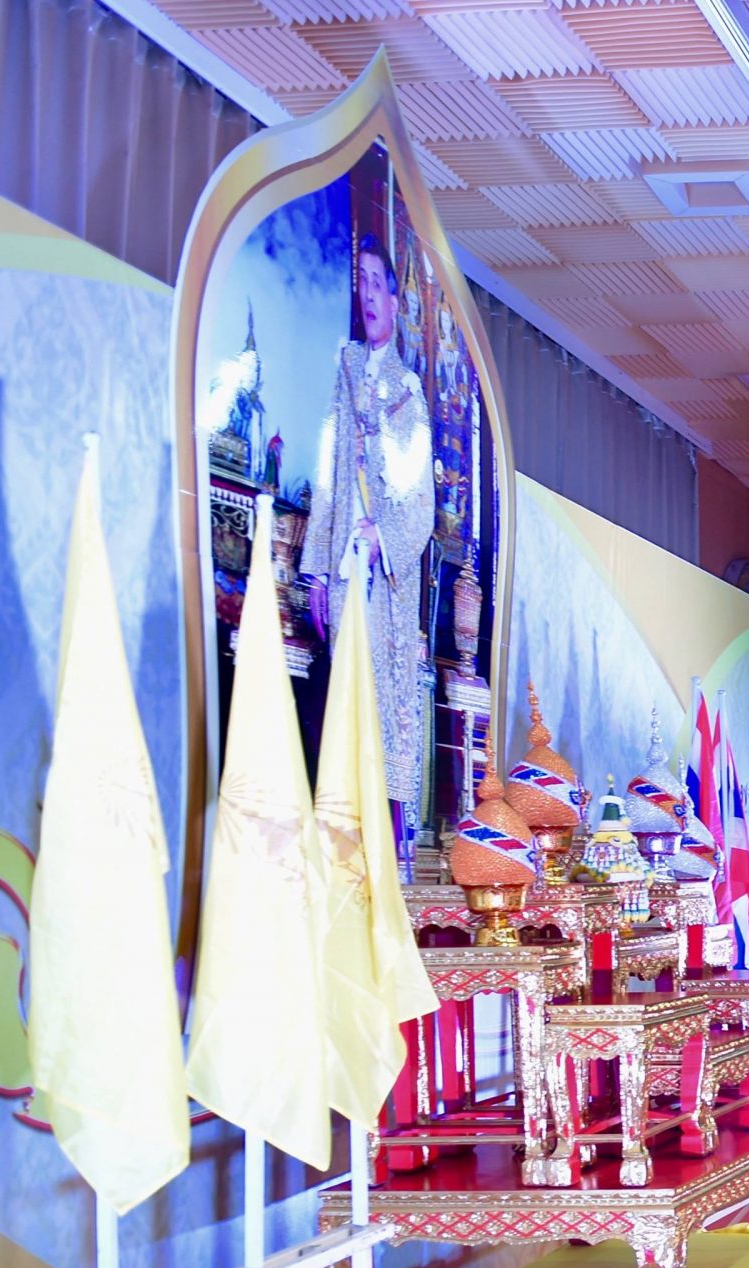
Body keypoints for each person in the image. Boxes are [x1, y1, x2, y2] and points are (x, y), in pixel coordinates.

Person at [300, 229, 434, 859]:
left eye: (379, 284)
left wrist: (383, 536)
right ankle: (337, 835)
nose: (370, 295)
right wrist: (316, 569)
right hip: (342, 568)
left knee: (382, 701)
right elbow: (329, 474)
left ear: (395, 302)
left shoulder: (409, 391)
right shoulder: (345, 372)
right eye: (362, 284)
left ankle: (386, 845)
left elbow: (420, 501)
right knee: (339, 701)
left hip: (383, 579)